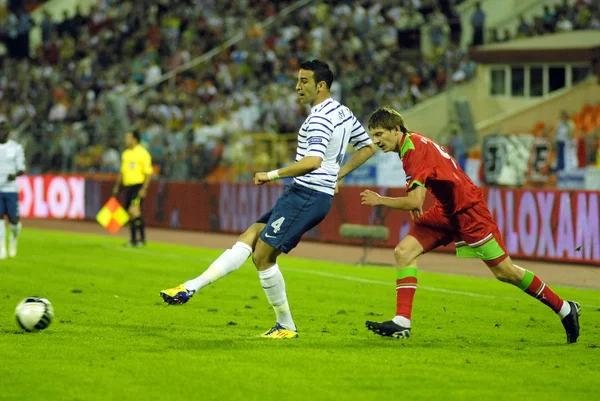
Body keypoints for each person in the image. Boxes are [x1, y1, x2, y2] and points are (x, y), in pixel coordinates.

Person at [160, 60, 377, 338]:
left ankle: (285, 325)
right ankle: (192, 285)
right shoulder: (344, 112)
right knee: (251, 235)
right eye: (298, 81)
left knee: (262, 255)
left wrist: (271, 174)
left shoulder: (320, 118)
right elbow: (367, 147)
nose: (298, 87)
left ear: (321, 85)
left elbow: (312, 161)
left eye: (304, 81)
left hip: (308, 193)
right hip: (308, 192)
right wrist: (337, 176)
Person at [359, 106, 580, 343]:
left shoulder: (413, 150)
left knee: (505, 272)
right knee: (404, 252)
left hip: (469, 212)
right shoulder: (410, 144)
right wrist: (416, 201)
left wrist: (380, 200)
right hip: (446, 212)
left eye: (380, 134)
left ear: (395, 129)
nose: (376, 141)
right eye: (373, 135)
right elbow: (430, 182)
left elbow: (415, 199)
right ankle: (402, 322)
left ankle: (565, 308)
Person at [112, 130, 153, 247]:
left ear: (134, 140)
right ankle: (135, 239)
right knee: (131, 214)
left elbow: (149, 173)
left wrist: (144, 188)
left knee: (133, 211)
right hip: (127, 186)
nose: (126, 140)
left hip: (137, 186)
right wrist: (117, 186)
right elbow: (122, 172)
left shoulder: (143, 153)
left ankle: (140, 239)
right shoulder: (126, 154)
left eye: (128, 138)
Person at [0, 116, 25, 259]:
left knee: (14, 220)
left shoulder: (16, 148)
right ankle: (2, 247)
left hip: (10, 189)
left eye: (4, 129)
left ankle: (14, 239)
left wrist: (15, 174)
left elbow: (22, 168)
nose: (2, 132)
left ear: (9, 132)